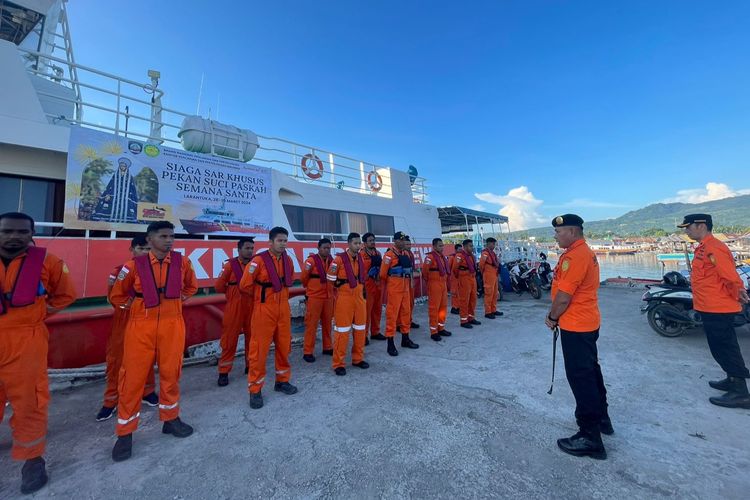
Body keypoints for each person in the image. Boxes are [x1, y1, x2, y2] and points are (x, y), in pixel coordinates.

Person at [0, 212, 76, 494]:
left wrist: (37, 315)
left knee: (30, 400)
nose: (14, 236)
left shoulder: (48, 262)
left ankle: (32, 459)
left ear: (32, 234)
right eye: (7, 231)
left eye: (22, 231)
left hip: (27, 338)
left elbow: (66, 295)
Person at [109, 221, 198, 462]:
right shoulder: (132, 267)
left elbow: (192, 286)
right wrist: (136, 308)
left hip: (173, 324)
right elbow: (116, 295)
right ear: (149, 240)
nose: (169, 240)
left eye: (171, 236)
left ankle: (170, 420)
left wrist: (177, 302)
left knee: (171, 374)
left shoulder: (183, 263)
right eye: (163, 236)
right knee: (132, 380)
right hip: (141, 325)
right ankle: (125, 434)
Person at [545, 214, 612, 460]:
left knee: (581, 378)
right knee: (591, 371)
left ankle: (590, 436)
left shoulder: (575, 256)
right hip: (587, 321)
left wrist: (552, 317)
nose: (555, 236)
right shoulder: (584, 252)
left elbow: (563, 297)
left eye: (558, 232)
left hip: (576, 325)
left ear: (572, 232)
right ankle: (602, 418)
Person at [678, 214, 750, 408]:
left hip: (719, 307)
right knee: (720, 347)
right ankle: (732, 379)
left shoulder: (714, 247)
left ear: (701, 226)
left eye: (688, 227)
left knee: (725, 348)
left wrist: (739, 292)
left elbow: (729, 275)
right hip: (709, 306)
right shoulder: (703, 247)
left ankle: (741, 392)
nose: (686, 231)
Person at [96, 235, 158, 421]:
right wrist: (131, 307)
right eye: (142, 249)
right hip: (124, 322)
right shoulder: (120, 272)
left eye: (149, 249)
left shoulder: (157, 271)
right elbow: (113, 298)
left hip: (146, 321)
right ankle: (111, 400)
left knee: (147, 357)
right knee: (116, 361)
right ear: (132, 250)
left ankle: (147, 392)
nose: (146, 253)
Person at [240, 226, 298, 409]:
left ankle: (282, 380)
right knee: (259, 351)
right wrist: (262, 299)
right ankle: (255, 390)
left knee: (284, 347)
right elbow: (245, 285)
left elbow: (289, 280)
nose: (283, 244)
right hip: (264, 310)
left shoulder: (287, 260)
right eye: (279, 240)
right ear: (270, 242)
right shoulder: (258, 261)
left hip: (283, 310)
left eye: (285, 241)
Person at [215, 237, 256, 386]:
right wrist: (232, 295)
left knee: (253, 338)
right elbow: (219, 286)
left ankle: (250, 365)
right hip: (234, 307)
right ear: (239, 249)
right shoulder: (229, 266)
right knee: (229, 339)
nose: (250, 251)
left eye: (252, 248)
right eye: (247, 248)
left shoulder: (256, 264)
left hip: (252, 305)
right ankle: (224, 371)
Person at [328, 232, 369, 375]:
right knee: (342, 331)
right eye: (355, 243)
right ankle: (338, 363)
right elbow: (330, 279)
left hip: (359, 298)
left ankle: (358, 358)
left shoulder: (360, 259)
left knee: (360, 329)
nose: (358, 246)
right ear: (349, 243)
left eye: (359, 243)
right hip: (344, 298)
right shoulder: (339, 259)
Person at [380, 231, 419, 356]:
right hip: (395, 288)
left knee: (406, 314)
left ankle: (405, 339)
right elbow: (382, 274)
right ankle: (390, 343)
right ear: (395, 241)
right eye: (401, 240)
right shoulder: (389, 255)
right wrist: (393, 282)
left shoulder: (406, 253)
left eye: (404, 240)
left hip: (405, 288)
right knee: (392, 316)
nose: (403, 242)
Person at [301, 238, 334, 362]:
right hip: (315, 297)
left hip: (328, 297)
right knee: (311, 325)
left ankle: (327, 347)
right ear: (318, 248)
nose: (327, 250)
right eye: (324, 248)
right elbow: (304, 277)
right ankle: (308, 351)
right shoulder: (311, 261)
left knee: (327, 324)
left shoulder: (332, 261)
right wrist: (310, 290)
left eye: (328, 248)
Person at [92, 157, 140, 223]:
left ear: (126, 167)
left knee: (128, 213)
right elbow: (110, 186)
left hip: (125, 199)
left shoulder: (130, 177)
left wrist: (132, 198)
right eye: (121, 166)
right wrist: (108, 194)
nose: (122, 167)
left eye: (124, 166)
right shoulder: (115, 175)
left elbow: (132, 189)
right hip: (114, 198)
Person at [422, 238, 452, 341]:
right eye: (440, 246)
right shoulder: (430, 257)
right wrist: (430, 282)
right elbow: (425, 272)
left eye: (442, 245)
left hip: (442, 284)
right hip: (434, 284)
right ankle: (434, 331)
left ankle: (441, 327)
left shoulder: (442, 257)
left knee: (443, 307)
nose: (442, 247)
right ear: (434, 246)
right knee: (434, 308)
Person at [361, 232, 386, 343]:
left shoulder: (378, 254)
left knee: (377, 310)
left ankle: (375, 332)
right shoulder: (361, 255)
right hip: (367, 286)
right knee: (366, 313)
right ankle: (364, 336)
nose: (373, 242)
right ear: (365, 243)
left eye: (373, 240)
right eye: (370, 240)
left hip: (377, 285)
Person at [453, 239, 480, 329]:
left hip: (472, 278)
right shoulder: (460, 256)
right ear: (464, 247)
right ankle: (464, 320)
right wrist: (461, 277)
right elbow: (455, 269)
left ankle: (471, 317)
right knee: (464, 300)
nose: (471, 247)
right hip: (464, 278)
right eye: (470, 246)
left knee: (473, 299)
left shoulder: (472, 256)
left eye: (472, 246)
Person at [479, 237, 503, 319]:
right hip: (489, 275)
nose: (494, 245)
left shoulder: (492, 253)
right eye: (492, 244)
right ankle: (488, 312)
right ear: (488, 243)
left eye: (494, 244)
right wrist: (484, 273)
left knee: (495, 293)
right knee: (489, 293)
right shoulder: (485, 253)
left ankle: (493, 309)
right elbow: (481, 264)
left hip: (494, 274)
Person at [405, 237, 420, 329]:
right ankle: (401, 323)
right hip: (403, 282)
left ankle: (409, 320)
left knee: (411, 303)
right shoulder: (402, 254)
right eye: (407, 244)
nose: (409, 246)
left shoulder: (410, 254)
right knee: (404, 304)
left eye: (409, 244)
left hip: (410, 280)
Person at [449, 243, 462, 315]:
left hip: (460, 277)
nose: (460, 251)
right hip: (454, 277)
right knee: (455, 293)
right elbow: (449, 267)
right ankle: (454, 308)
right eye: (459, 249)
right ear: (455, 250)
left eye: (461, 249)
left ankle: (458, 306)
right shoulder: (452, 257)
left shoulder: (461, 257)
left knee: (459, 293)